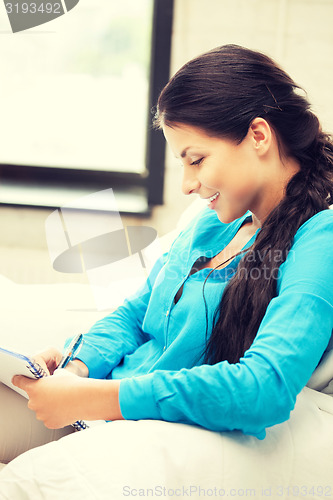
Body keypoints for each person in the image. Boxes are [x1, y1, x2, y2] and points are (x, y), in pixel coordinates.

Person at [1, 44, 333, 467]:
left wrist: (99, 399)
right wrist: (79, 365)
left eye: (196, 160)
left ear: (259, 136)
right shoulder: (214, 221)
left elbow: (263, 388)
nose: (187, 185)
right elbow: (138, 314)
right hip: (97, 410)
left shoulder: (319, 239)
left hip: (127, 425)